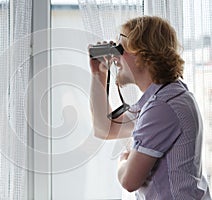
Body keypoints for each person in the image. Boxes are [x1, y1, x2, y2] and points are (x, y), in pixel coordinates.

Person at [89, 16, 211, 199]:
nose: (114, 57)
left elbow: (129, 181)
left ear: (143, 55)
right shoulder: (165, 97)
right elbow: (105, 129)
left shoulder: (163, 107)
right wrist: (99, 75)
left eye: (120, 49)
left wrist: (124, 160)